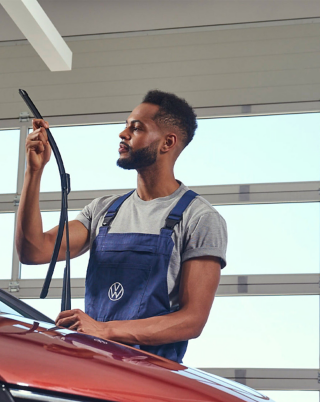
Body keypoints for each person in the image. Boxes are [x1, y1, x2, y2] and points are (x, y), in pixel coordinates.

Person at [15, 90, 227, 364]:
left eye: (136, 128)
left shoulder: (199, 218)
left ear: (167, 142)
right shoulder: (104, 211)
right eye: (126, 125)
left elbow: (191, 320)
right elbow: (34, 251)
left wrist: (105, 330)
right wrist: (34, 172)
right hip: (91, 367)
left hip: (152, 377)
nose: (122, 134)